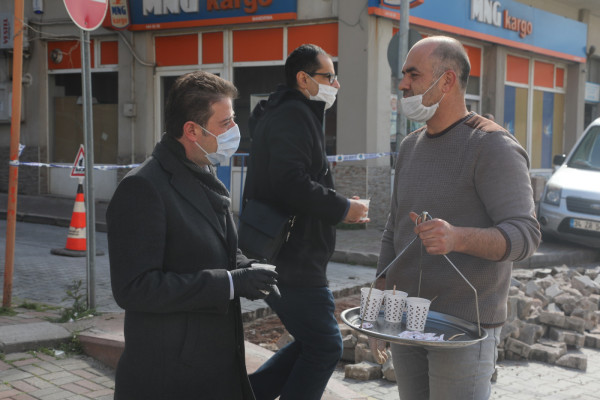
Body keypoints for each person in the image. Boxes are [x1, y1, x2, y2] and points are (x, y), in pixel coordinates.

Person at [375, 36, 541, 400]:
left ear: (447, 81)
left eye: (413, 75)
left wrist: (457, 238)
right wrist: (381, 294)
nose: (402, 84)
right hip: (406, 320)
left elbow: (526, 235)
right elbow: (394, 226)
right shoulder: (409, 145)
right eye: (403, 75)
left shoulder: (492, 146)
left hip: (465, 328)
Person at [106, 71, 278, 400]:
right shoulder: (142, 187)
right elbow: (134, 288)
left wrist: (248, 268)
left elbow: (217, 245)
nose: (235, 130)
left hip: (213, 366)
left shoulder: (202, 169)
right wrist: (230, 283)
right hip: (169, 376)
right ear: (191, 130)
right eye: (225, 122)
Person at [243, 44, 368, 400]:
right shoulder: (293, 115)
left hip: (288, 253)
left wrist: (341, 204)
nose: (336, 85)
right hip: (292, 257)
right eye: (329, 77)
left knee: (313, 342)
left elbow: (294, 178)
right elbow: (290, 182)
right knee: (325, 345)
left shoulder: (290, 111)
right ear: (303, 78)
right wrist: (342, 208)